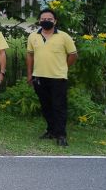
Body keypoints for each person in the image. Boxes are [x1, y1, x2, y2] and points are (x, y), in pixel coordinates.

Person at [27, 8, 78, 147]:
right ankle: (51, 131)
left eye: (49, 19)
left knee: (59, 106)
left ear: (55, 21)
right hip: (39, 77)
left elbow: (73, 55)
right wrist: (29, 73)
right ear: (39, 21)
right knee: (46, 106)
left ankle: (61, 135)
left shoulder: (64, 36)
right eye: (43, 19)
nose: (46, 21)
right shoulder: (33, 36)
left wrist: (64, 68)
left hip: (58, 78)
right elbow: (30, 55)